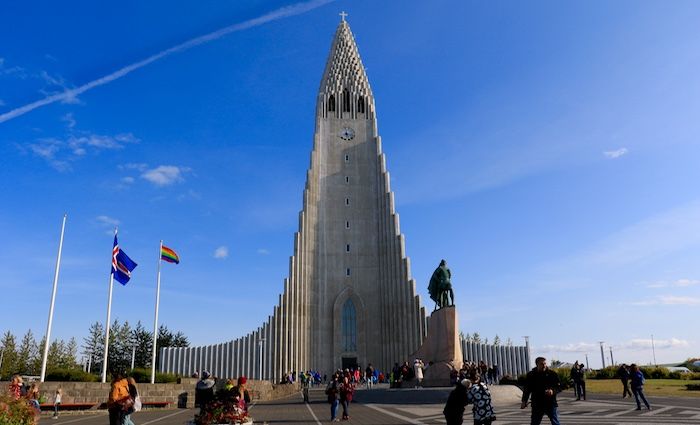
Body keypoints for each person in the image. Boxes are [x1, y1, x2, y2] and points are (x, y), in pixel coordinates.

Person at [521, 357, 562, 425]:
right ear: (537, 364)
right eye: (542, 364)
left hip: (550, 403)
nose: (544, 365)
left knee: (555, 422)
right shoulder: (531, 375)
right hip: (537, 403)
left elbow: (559, 387)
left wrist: (552, 391)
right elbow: (527, 389)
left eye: (545, 363)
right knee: (534, 422)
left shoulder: (552, 374)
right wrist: (524, 401)